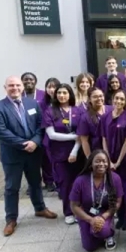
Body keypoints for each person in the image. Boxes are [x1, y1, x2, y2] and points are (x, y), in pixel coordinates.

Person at [0, 76, 57, 236]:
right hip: (13, 156)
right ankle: (11, 219)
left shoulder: (32, 103)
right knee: (12, 187)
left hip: (33, 153)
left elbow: (40, 125)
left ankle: (40, 208)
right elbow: (2, 132)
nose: (15, 88)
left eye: (17, 85)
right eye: (11, 85)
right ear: (5, 87)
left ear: (22, 87)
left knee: (35, 182)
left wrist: (34, 142)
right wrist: (24, 144)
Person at [43, 83, 83, 225]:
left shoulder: (78, 110)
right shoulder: (50, 111)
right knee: (65, 184)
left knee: (79, 184)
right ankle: (68, 212)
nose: (61, 95)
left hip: (78, 153)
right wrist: (73, 137)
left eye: (65, 93)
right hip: (59, 154)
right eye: (59, 93)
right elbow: (52, 135)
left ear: (70, 94)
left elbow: (82, 134)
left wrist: (74, 150)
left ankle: (80, 211)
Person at [69, 150, 124, 251]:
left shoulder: (115, 178)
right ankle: (96, 231)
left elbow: (118, 202)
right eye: (97, 161)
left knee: (101, 231)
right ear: (91, 163)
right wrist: (91, 220)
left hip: (105, 213)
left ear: (108, 163)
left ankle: (108, 233)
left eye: (104, 161)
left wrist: (103, 217)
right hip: (86, 213)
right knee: (89, 247)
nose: (101, 164)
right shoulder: (80, 180)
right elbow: (74, 205)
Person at [100, 89, 126, 229]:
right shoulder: (105, 117)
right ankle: (119, 217)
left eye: (122, 99)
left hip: (125, 160)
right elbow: (103, 139)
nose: (119, 101)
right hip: (110, 159)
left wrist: (118, 162)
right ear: (112, 99)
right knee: (114, 191)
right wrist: (108, 160)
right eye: (117, 98)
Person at [77, 88, 112, 158]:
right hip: (97, 151)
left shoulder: (112, 110)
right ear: (89, 99)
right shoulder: (85, 117)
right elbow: (84, 141)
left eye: (101, 96)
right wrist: (90, 158)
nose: (99, 98)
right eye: (95, 97)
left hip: (113, 149)